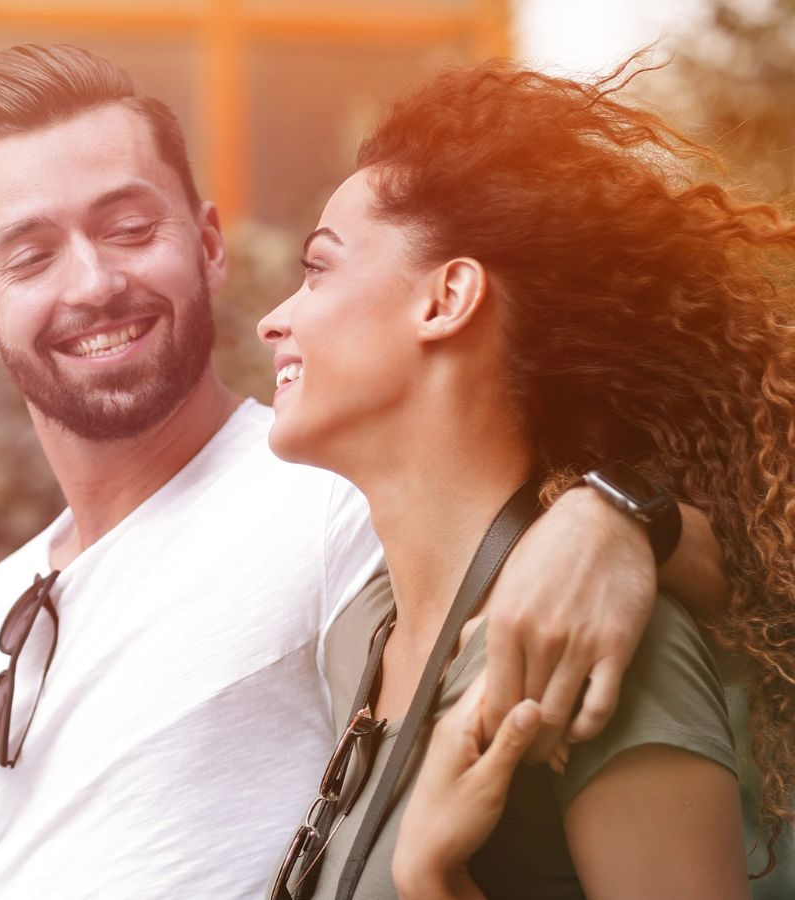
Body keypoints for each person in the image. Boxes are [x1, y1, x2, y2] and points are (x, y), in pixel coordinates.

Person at [0, 44, 727, 898]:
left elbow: (704, 572)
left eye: (128, 228)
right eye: (31, 255)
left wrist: (616, 518)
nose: (92, 283)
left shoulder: (335, 498)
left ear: (209, 244)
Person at [258, 58, 795, 898]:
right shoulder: (361, 636)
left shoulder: (605, 642)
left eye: (319, 269)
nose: (273, 318)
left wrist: (434, 877)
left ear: (446, 298)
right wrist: (618, 513)